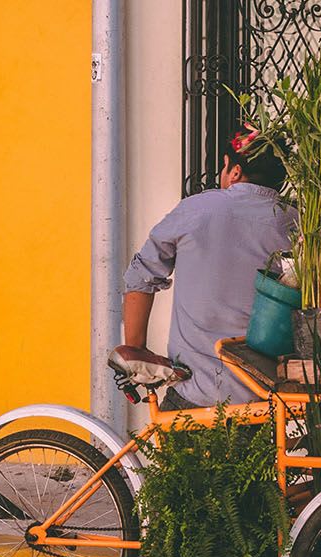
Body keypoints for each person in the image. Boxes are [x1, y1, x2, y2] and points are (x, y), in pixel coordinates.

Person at [117, 131, 295, 412]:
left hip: (193, 390)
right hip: (263, 396)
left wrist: (135, 350)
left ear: (235, 171)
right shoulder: (295, 222)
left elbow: (141, 275)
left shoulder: (196, 209)